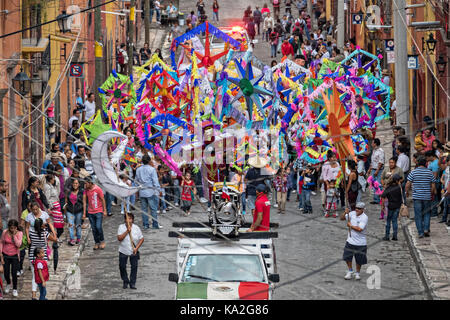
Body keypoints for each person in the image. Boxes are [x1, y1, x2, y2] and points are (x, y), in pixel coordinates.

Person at [405, 156, 436, 238]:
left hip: (417, 197)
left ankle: (420, 232)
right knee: (426, 213)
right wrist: (432, 193)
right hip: (427, 196)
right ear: (425, 163)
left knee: (418, 215)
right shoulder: (429, 172)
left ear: (418, 163)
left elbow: (408, 183)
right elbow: (433, 185)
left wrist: (406, 192)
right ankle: (426, 229)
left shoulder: (413, 172)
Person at [27, 216, 56, 300]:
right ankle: (42, 296)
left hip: (33, 257)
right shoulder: (45, 233)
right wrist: (53, 232)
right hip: (43, 257)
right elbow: (55, 239)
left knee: (34, 276)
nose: (45, 224)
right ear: (41, 225)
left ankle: (34, 295)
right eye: (43, 223)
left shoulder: (31, 233)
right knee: (42, 275)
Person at [341, 202, 368, 281]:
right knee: (347, 257)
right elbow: (342, 218)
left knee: (359, 260)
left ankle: (357, 273)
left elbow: (360, 229)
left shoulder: (364, 217)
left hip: (360, 243)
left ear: (363, 209)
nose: (357, 209)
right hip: (350, 241)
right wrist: (345, 212)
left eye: (359, 209)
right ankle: (350, 270)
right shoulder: (352, 213)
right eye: (356, 208)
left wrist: (351, 226)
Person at [117, 213, 144, 290]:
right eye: (127, 218)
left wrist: (137, 248)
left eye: (130, 219)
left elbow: (141, 239)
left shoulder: (136, 228)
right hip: (123, 250)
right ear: (125, 220)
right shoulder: (121, 227)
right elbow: (119, 238)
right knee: (122, 266)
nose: (128, 220)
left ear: (132, 220)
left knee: (134, 267)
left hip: (133, 250)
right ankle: (125, 281)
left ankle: (132, 283)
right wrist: (127, 231)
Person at [135, 154, 163, 230]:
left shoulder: (138, 169)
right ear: (149, 161)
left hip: (142, 192)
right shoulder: (152, 169)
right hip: (150, 191)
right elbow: (155, 181)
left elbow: (136, 181)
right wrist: (158, 190)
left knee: (144, 209)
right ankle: (154, 224)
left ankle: (146, 225)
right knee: (153, 209)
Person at [83, 177, 107, 250]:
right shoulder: (86, 190)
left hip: (98, 211)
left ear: (90, 183)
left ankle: (102, 241)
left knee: (98, 227)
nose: (85, 185)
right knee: (93, 228)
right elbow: (84, 201)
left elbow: (102, 199)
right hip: (90, 212)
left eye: (86, 183)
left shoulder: (97, 189)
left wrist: (104, 210)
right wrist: (84, 213)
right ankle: (96, 242)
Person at [0, 219, 23, 297]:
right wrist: (1, 254)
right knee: (6, 273)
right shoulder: (5, 232)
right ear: (9, 227)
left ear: (16, 227)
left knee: (14, 273)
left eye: (14, 228)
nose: (12, 229)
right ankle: (8, 284)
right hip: (5, 254)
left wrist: (14, 235)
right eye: (11, 228)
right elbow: (2, 242)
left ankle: (15, 289)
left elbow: (18, 245)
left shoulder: (19, 233)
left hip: (14, 256)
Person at [381, 174, 403, 241]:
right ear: (396, 181)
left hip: (390, 206)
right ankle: (395, 236)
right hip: (397, 206)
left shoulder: (389, 188)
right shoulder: (399, 188)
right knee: (394, 221)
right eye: (399, 180)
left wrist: (383, 206)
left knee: (388, 221)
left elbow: (383, 196)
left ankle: (387, 236)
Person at [64, 179, 84, 246]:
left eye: (76, 183)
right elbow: (66, 202)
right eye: (74, 183)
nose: (75, 185)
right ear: (72, 184)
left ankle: (78, 238)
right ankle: (72, 239)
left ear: (79, 184)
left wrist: (84, 213)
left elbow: (84, 203)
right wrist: (65, 213)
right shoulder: (68, 192)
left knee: (78, 225)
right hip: (70, 211)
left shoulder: (81, 192)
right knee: (70, 225)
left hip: (79, 211)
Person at [369, 138, 385, 204]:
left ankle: (379, 199)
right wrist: (370, 169)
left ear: (375, 144)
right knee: (374, 184)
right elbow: (373, 161)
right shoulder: (374, 150)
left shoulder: (380, 151)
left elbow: (380, 162)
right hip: (373, 169)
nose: (371, 144)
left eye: (372, 143)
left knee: (378, 184)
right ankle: (376, 199)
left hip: (378, 170)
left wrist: (377, 171)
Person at [426, 150, 440, 217]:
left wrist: (432, 185)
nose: (427, 159)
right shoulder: (432, 162)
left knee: (434, 198)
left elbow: (435, 175)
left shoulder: (435, 163)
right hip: (432, 182)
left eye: (427, 158)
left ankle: (434, 212)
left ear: (431, 156)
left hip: (434, 183)